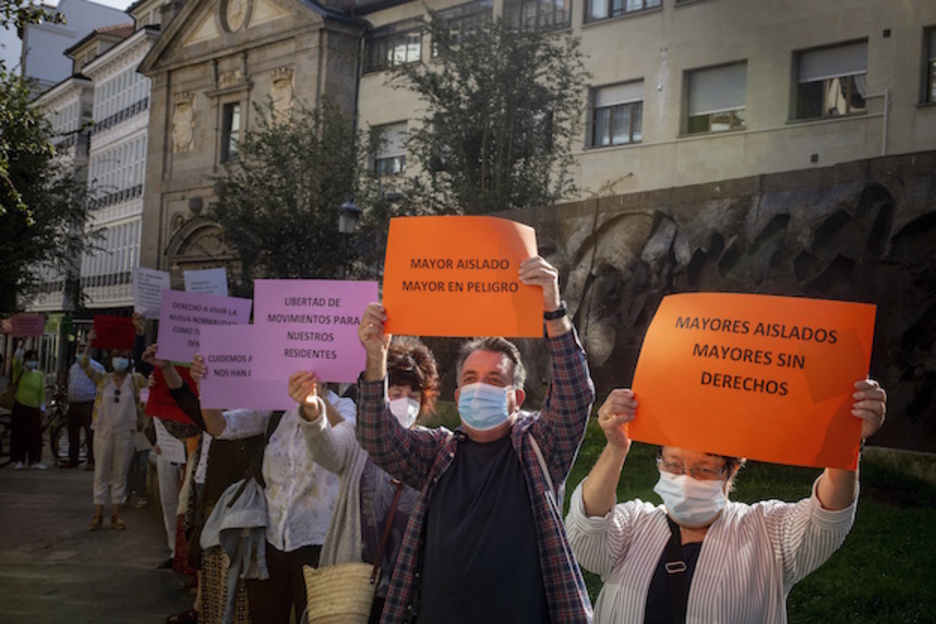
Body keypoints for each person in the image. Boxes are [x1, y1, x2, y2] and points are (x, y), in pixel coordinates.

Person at [355, 255, 596, 624]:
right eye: (470, 379)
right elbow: (379, 439)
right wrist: (376, 358)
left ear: (517, 398)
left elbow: (575, 395)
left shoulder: (539, 450)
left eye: (495, 380)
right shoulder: (437, 453)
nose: (480, 387)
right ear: (457, 394)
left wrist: (553, 309)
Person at [565, 382, 888, 623]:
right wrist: (616, 448)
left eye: (704, 469)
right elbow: (585, 536)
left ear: (731, 471)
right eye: (673, 465)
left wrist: (847, 441)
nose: (686, 479)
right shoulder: (635, 523)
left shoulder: (767, 533)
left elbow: (827, 517)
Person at [191, 353, 356, 624]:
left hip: (318, 543)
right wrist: (206, 389)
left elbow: (349, 439)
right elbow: (221, 427)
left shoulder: (345, 406)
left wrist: (315, 401)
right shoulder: (275, 408)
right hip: (270, 538)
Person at [288, 336, 440, 623]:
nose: (405, 402)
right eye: (396, 393)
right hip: (351, 584)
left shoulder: (431, 447)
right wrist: (311, 409)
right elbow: (325, 449)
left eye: (413, 395)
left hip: (407, 589)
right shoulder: (357, 436)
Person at [81, 330, 148, 530]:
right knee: (101, 473)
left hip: (126, 432)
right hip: (103, 431)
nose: (121, 360)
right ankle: (98, 513)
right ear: (111, 360)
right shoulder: (103, 379)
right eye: (117, 356)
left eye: (124, 356)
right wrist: (89, 343)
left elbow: (147, 397)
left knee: (120, 474)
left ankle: (116, 514)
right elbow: (84, 364)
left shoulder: (136, 380)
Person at [63, 344, 105, 469]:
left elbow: (101, 385)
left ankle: (91, 461)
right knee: (72, 434)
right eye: (79, 351)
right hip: (73, 405)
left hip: (88, 404)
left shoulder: (97, 367)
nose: (81, 353)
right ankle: (73, 459)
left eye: (83, 351)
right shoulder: (74, 367)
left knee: (90, 434)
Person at [10, 347, 47, 470]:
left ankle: (34, 460)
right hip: (20, 405)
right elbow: (15, 360)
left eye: (35, 360)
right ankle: (19, 459)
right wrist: (21, 346)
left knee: (35, 435)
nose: (33, 362)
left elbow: (41, 392)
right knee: (19, 434)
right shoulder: (20, 372)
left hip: (34, 408)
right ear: (25, 360)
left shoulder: (39, 375)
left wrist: (42, 408)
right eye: (30, 359)